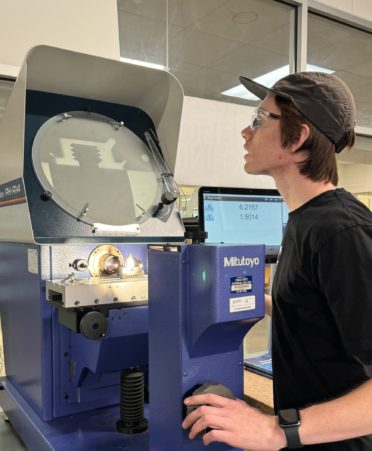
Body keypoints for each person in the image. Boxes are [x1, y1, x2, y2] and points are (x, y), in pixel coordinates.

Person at [182, 72, 372, 450]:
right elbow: (322, 313)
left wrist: (274, 431)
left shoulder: (340, 232)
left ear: (298, 137)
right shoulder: (305, 219)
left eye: (258, 119)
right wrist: (263, 303)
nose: (245, 132)